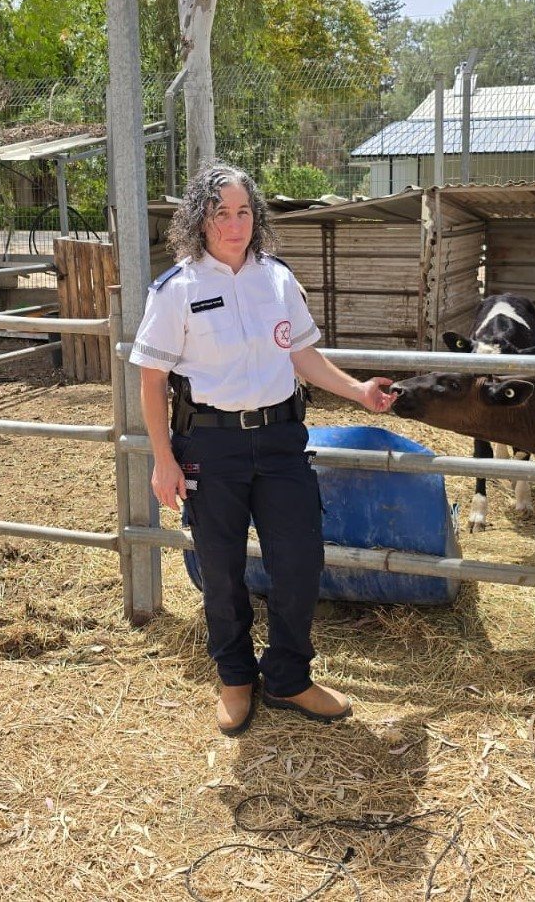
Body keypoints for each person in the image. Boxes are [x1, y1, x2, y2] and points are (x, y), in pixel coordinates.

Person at [129, 163, 396, 736]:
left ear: (258, 216)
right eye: (221, 212)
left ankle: (289, 677)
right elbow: (151, 380)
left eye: (244, 210)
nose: (234, 223)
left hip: (280, 442)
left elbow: (301, 356)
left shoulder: (276, 279)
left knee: (300, 559)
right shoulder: (177, 290)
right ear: (199, 218)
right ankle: (235, 677)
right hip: (210, 445)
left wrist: (358, 391)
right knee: (221, 569)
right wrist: (164, 459)